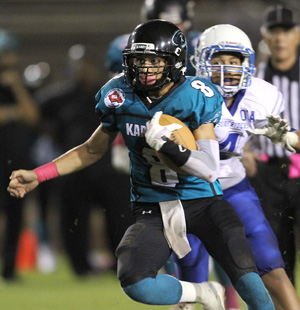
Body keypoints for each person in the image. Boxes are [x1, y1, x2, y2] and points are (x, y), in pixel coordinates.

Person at [7, 20, 275, 310]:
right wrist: (39, 174)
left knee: (246, 274)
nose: (144, 68)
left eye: (153, 60)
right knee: (135, 281)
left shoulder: (196, 94)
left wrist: (169, 146)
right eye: (139, 60)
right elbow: (90, 150)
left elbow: (209, 167)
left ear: (173, 61)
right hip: (153, 207)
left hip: (203, 201)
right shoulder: (120, 95)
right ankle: (203, 293)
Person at [172, 24, 300, 310]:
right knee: (192, 275)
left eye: (234, 61)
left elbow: (291, 136)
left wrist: (288, 136)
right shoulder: (183, 95)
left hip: (233, 186)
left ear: (247, 62)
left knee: (271, 267)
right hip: (188, 191)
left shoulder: (261, 95)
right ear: (201, 62)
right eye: (217, 60)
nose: (226, 68)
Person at [32, 45, 134, 276]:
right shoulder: (59, 97)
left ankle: (119, 265)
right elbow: (35, 115)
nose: (84, 70)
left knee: (120, 219)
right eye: (79, 65)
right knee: (73, 221)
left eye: (88, 65)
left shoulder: (111, 95)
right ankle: (80, 267)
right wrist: (51, 133)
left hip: (110, 170)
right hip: (75, 171)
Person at [244, 3, 300, 286]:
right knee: (275, 253)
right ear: (264, 36)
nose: (280, 39)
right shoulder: (252, 81)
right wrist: (242, 149)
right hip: (266, 175)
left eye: (286, 32)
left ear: (297, 35)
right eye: (274, 32)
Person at [0, 29, 39, 281]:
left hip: (16, 162)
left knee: (15, 217)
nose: (8, 59)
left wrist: (15, 87)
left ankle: (9, 270)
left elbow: (32, 116)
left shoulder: (20, 84)